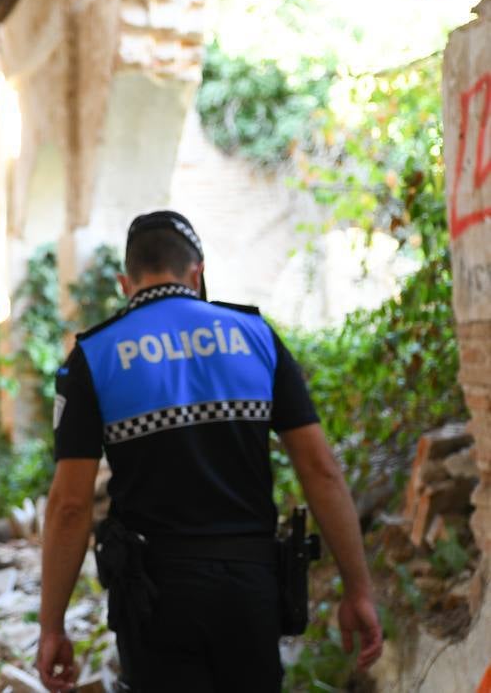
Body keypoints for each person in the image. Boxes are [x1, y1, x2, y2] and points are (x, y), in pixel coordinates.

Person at [34, 211, 383, 692]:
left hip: (156, 597)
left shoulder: (94, 358)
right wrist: (358, 589)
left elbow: (69, 506)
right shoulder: (257, 338)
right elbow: (320, 470)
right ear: (196, 273)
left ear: (124, 283)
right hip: (251, 589)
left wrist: (51, 626)